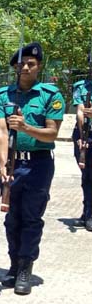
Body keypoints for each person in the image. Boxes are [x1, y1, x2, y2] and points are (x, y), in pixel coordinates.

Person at [0, 42, 64, 295]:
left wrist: (26, 128)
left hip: (39, 164)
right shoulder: (2, 95)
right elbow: (0, 129)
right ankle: (13, 263)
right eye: (20, 64)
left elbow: (52, 133)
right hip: (11, 162)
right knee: (12, 217)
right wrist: (2, 163)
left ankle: (25, 267)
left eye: (30, 64)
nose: (25, 68)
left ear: (38, 66)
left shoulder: (50, 95)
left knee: (31, 217)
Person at [71, 53, 92, 231]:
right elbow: (80, 110)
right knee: (87, 176)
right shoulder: (81, 87)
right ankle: (87, 212)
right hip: (84, 134)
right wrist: (82, 136)